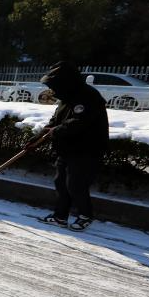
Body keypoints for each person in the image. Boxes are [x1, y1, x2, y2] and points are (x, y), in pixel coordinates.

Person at [32, 61, 109, 231]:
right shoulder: (66, 98)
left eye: (55, 86)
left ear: (66, 83)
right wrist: (37, 138)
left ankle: (85, 215)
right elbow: (55, 121)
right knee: (60, 182)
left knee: (76, 185)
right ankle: (60, 216)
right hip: (67, 148)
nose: (53, 90)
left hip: (87, 149)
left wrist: (56, 131)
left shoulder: (89, 97)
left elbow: (79, 122)